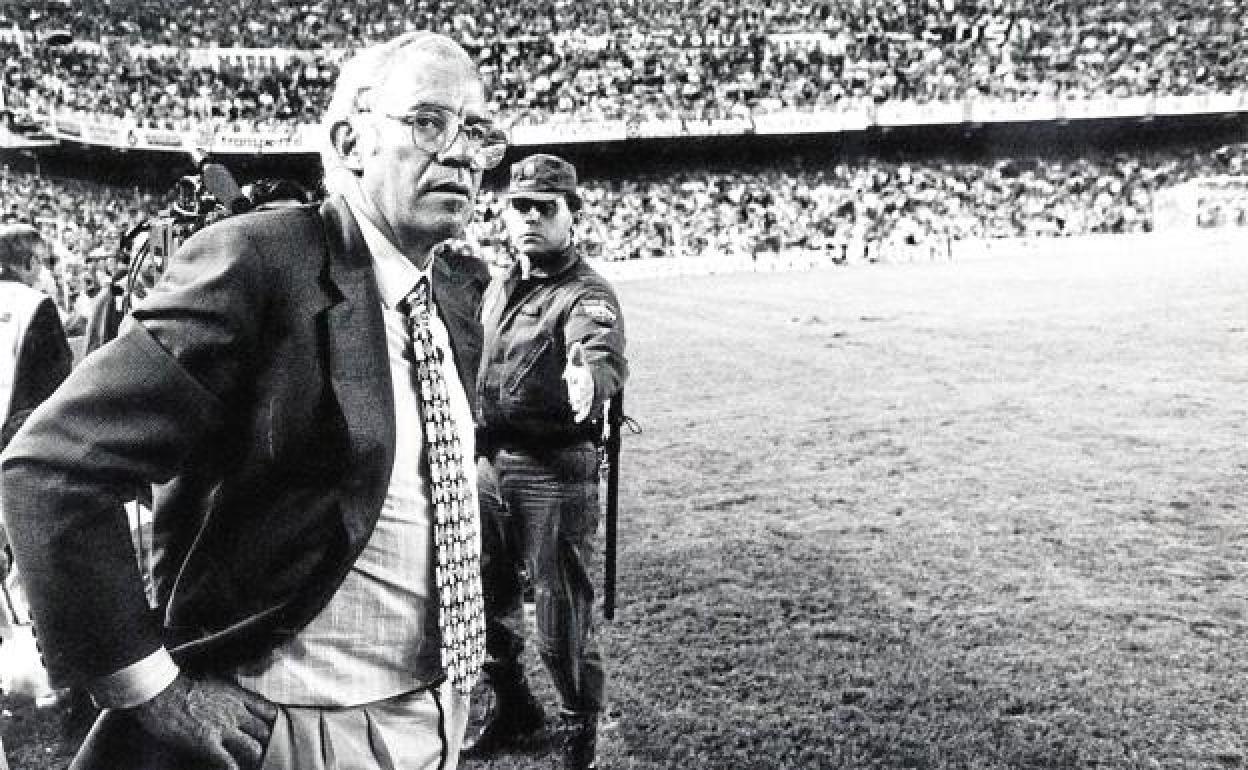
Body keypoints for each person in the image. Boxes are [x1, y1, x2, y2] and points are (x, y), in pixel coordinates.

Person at [1, 30, 504, 770]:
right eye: (429, 121)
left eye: (479, 132)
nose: (461, 150)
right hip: (296, 729)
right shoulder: (262, 259)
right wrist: (152, 689)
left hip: (430, 717)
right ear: (350, 139)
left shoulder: (450, 295)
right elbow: (52, 465)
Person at [467, 154, 628, 770]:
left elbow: (598, 350)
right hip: (491, 464)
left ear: (573, 217)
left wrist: (592, 378)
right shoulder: (503, 282)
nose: (531, 218)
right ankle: (513, 706)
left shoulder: (585, 293)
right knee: (486, 596)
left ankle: (578, 727)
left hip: (552, 471)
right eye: (521, 207)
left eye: (546, 208)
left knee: (560, 614)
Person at [0, 224, 72, 707]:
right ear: (27, 263)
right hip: (14, 451)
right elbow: (58, 396)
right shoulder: (33, 306)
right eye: (43, 263)